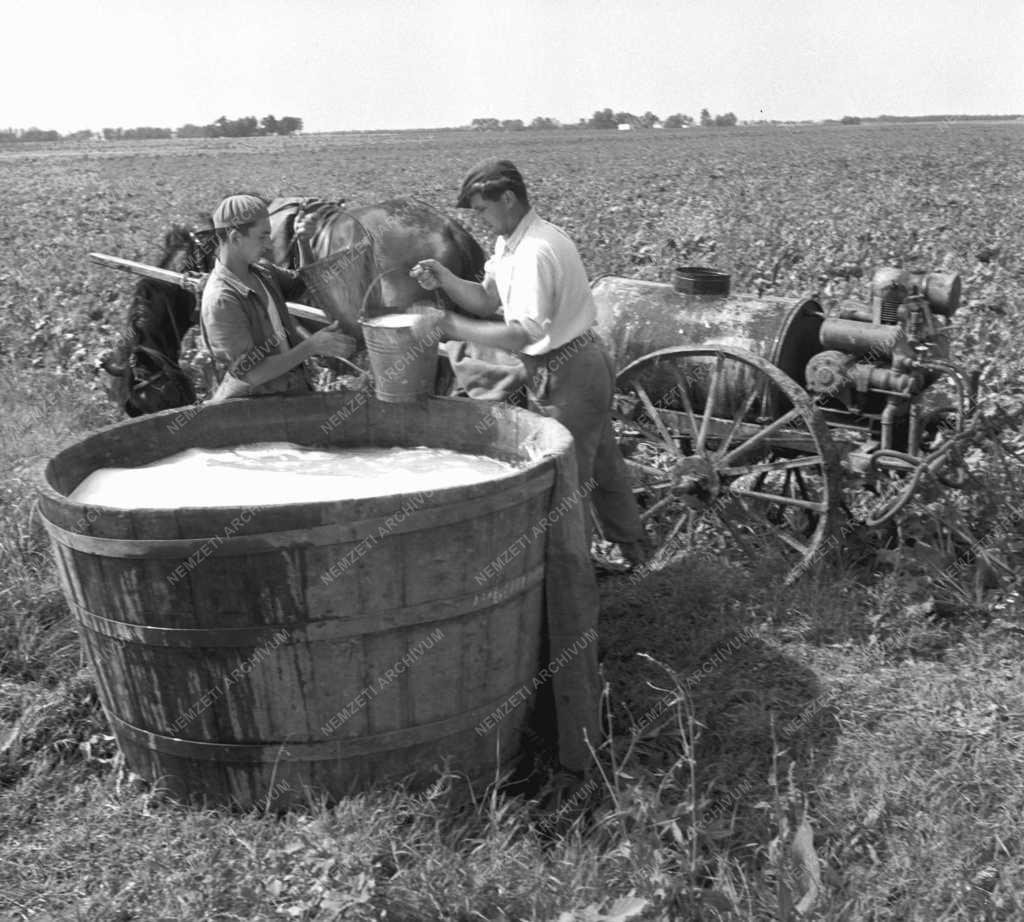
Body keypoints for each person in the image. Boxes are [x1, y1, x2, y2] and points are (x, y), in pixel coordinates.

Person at [410, 159, 647, 566]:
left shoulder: (537, 250)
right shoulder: (511, 242)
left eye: (483, 209)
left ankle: (572, 583)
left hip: (570, 370)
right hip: (568, 366)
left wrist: (449, 324)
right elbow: (486, 298)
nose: (481, 220)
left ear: (508, 199)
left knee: (566, 482)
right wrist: (445, 279)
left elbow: (524, 333)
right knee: (603, 464)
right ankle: (636, 555)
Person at [200, 194, 356, 400]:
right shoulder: (222, 300)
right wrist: (312, 346)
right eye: (262, 236)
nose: (269, 245)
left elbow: (302, 285)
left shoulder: (262, 272)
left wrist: (304, 242)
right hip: (252, 413)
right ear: (235, 238)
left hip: (290, 395)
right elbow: (249, 373)